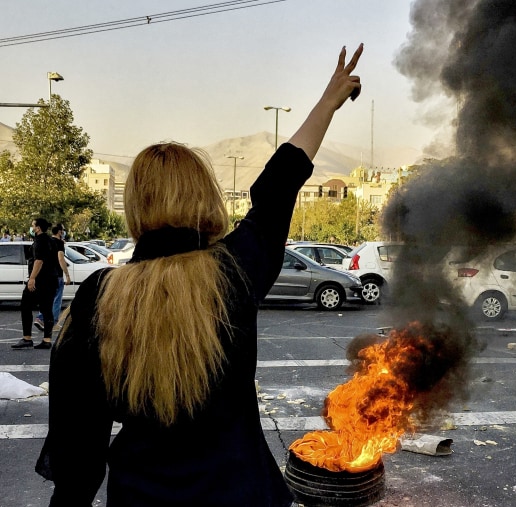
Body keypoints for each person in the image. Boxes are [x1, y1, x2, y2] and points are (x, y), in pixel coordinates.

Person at [36, 44, 363, 506]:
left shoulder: (97, 297)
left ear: (135, 206)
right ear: (205, 197)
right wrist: (328, 103)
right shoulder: (235, 270)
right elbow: (279, 185)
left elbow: (78, 451)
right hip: (244, 494)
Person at [11, 218, 59, 350]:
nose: (31, 228)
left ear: (38, 228)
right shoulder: (51, 240)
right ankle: (47, 340)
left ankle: (27, 338)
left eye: (33, 225)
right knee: (47, 309)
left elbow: (39, 261)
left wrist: (32, 279)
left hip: (41, 281)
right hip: (51, 280)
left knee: (25, 305)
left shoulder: (40, 241)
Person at [34, 224, 71, 333]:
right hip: (56, 275)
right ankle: (51, 322)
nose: (63, 232)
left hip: (46, 274)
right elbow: (60, 258)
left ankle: (40, 318)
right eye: (63, 230)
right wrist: (67, 275)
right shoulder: (59, 243)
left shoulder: (48, 241)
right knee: (56, 300)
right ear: (59, 232)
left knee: (47, 298)